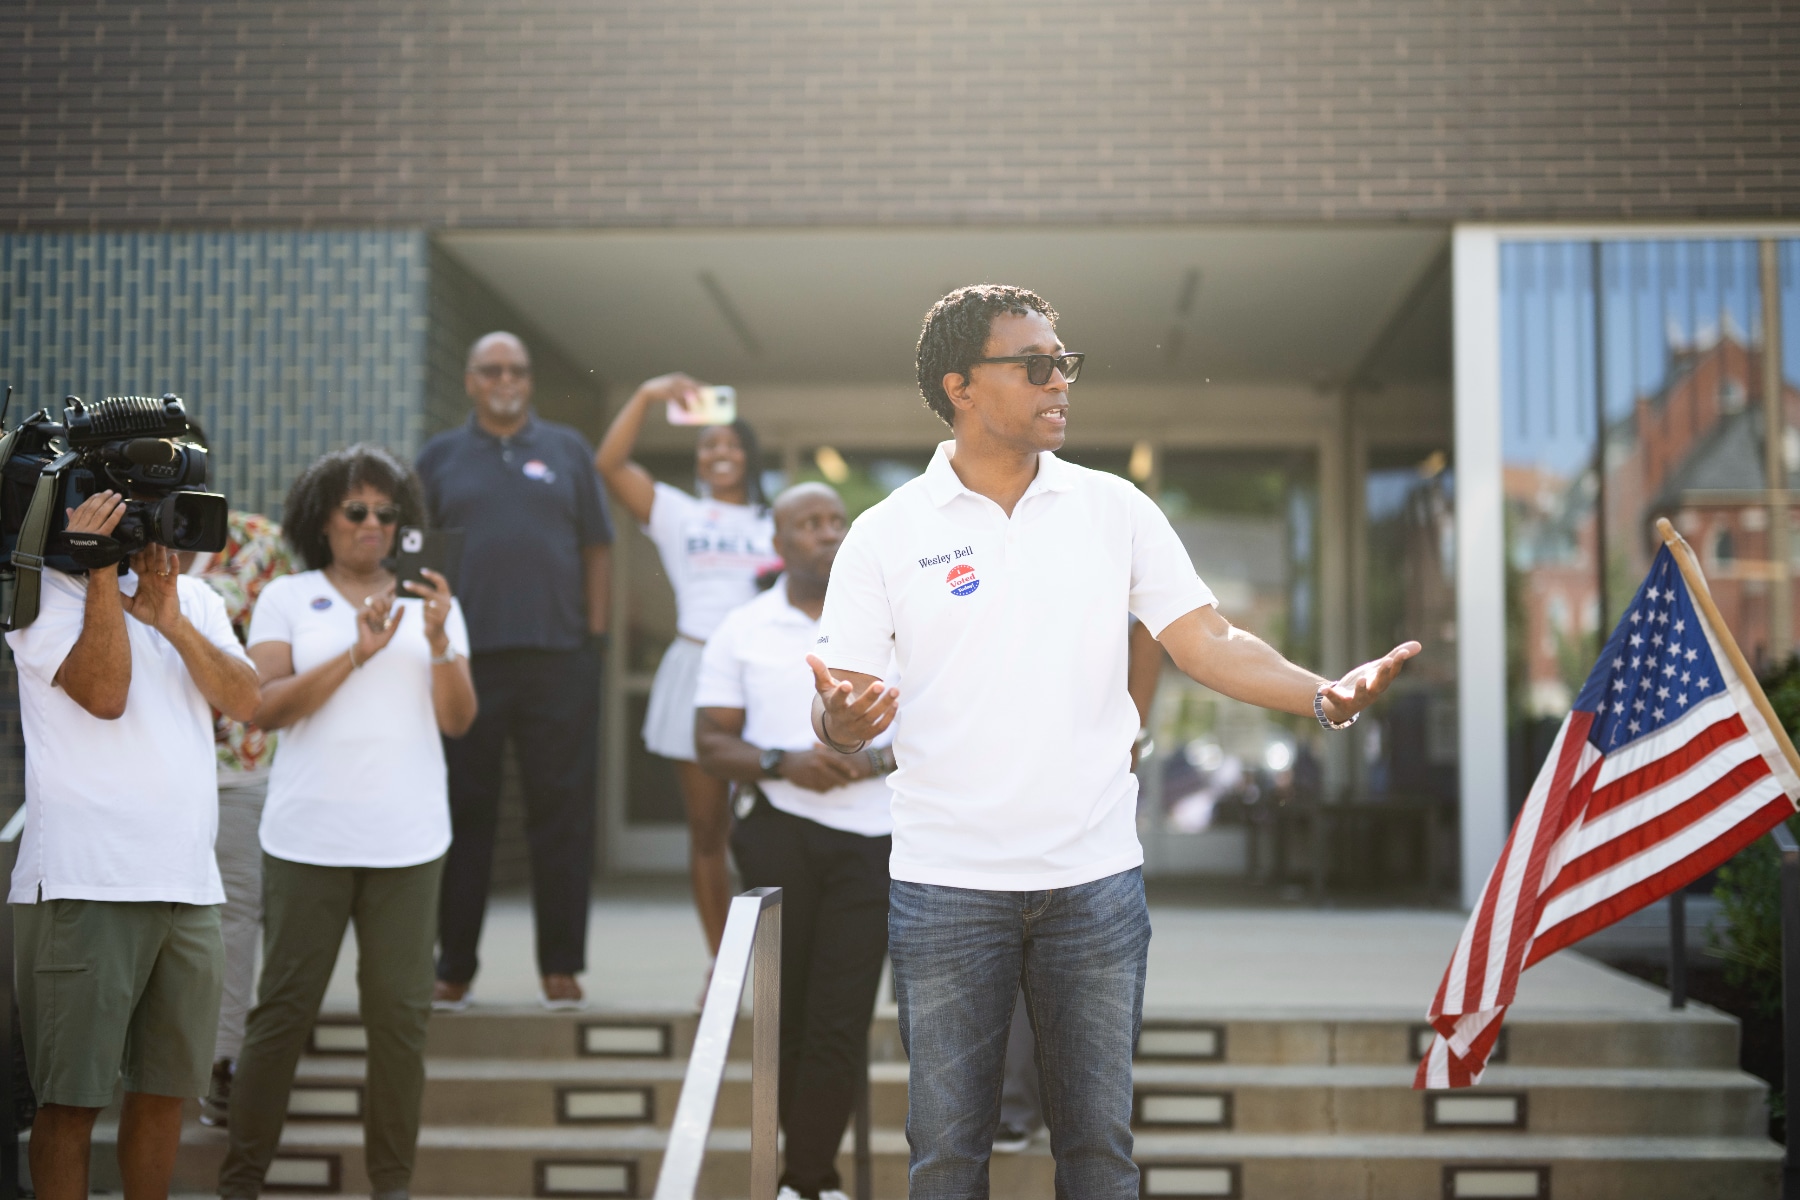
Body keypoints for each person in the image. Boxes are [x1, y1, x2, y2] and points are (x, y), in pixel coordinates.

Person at [808, 284, 1419, 1198]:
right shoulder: (885, 533)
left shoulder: (1114, 509)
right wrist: (842, 725)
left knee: (1098, 1156)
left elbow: (1205, 639)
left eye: (1066, 363)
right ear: (962, 386)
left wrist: (1324, 697)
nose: (1062, 381)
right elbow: (838, 698)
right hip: (944, 887)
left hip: (1093, 884)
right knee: (944, 1157)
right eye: (1037, 365)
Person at [219, 445, 477, 1200]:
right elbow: (262, 707)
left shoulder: (437, 603)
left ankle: (391, 1186)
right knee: (281, 1016)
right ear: (322, 518)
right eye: (356, 510)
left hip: (410, 840)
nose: (373, 524)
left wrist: (434, 643)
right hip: (308, 839)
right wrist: (356, 655)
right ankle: (240, 1183)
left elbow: (459, 721)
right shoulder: (289, 598)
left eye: (388, 513)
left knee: (400, 1023)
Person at [7, 491, 260, 1200]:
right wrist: (96, 573)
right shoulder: (43, 593)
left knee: (162, 1097)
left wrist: (172, 619)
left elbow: (247, 701)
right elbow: (107, 692)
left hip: (190, 887)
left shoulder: (195, 597)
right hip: (84, 884)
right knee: (72, 1104)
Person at [693, 483, 893, 1200]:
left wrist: (872, 761)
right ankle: (801, 1176)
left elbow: (937, 727)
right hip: (778, 834)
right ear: (778, 544)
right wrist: (784, 762)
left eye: (837, 521)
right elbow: (709, 739)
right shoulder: (742, 628)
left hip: (874, 840)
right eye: (809, 523)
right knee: (786, 1018)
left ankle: (809, 1181)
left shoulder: (889, 624)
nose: (828, 532)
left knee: (840, 1018)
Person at [417, 332, 614, 1011]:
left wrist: (593, 640)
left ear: (529, 381)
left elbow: (597, 548)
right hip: (466, 664)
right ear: (470, 381)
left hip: (559, 660)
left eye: (517, 370)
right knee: (465, 812)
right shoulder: (440, 458)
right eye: (492, 369)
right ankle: (455, 967)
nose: (506, 379)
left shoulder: (567, 452)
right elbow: (421, 557)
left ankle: (561, 967)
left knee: (560, 819)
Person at [596, 375, 778, 967]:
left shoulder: (773, 519)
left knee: (773, 829)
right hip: (696, 670)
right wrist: (647, 397)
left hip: (762, 676)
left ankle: (775, 961)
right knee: (707, 830)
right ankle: (721, 967)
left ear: (749, 455)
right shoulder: (677, 512)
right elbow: (610, 462)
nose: (719, 454)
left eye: (731, 445)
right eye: (708, 446)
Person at [993, 616, 1164, 1154]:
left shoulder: (1103, 539)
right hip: (990, 793)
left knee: (1075, 971)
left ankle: (1059, 1111)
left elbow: (1150, 628)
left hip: (1083, 807)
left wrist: (1130, 732)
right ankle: (1018, 1107)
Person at [188, 512, 295, 1129]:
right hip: (146, 776)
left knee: (235, 919)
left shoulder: (259, 543)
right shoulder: (104, 545)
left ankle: (222, 1063)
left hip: (240, 768)